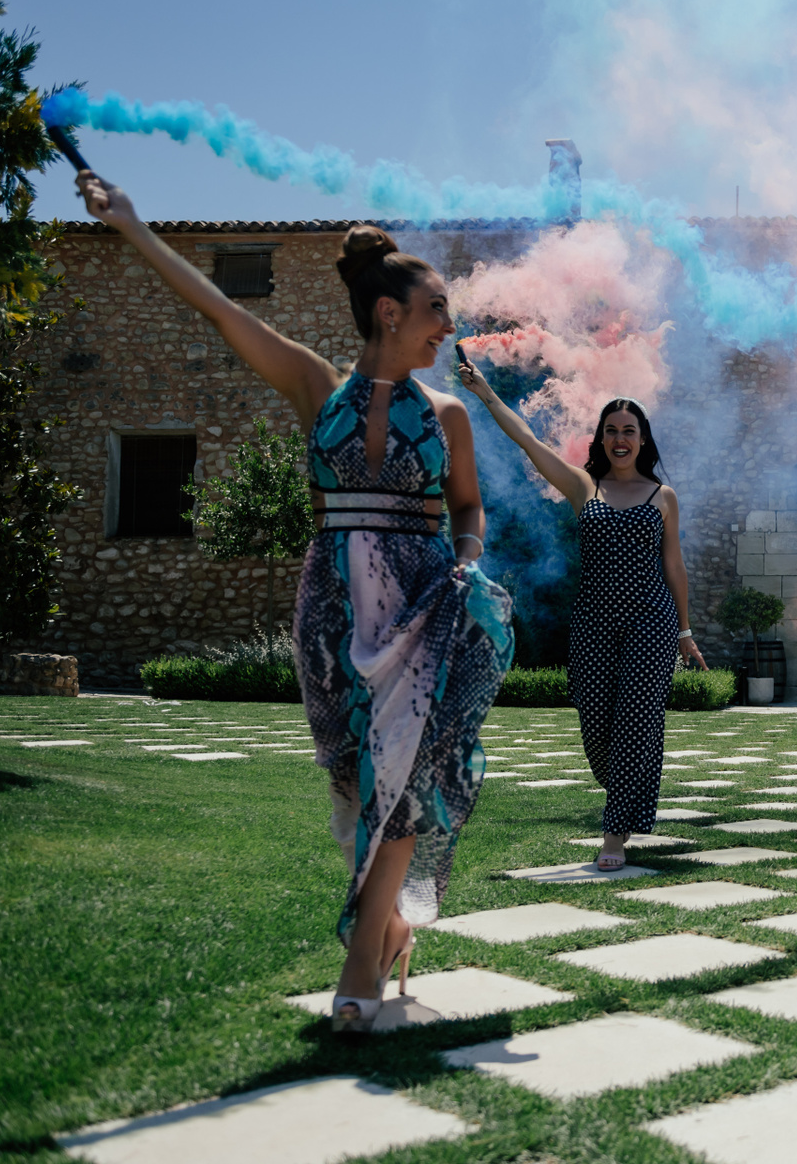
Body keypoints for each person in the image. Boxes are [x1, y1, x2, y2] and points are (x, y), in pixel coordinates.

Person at [78, 175, 513, 1033]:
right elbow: (217, 307)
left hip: (424, 603)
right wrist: (131, 226)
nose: (448, 326)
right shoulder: (318, 387)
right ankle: (388, 930)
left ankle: (359, 962)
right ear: (389, 312)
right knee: (357, 779)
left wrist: (467, 560)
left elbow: (468, 508)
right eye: (436, 309)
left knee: (404, 775)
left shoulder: (450, 415)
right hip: (335, 609)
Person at [458, 370, 707, 869]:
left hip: (650, 621)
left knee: (636, 719)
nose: (620, 439)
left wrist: (684, 632)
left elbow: (674, 565)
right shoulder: (583, 486)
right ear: (601, 438)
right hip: (593, 621)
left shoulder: (663, 497)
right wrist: (486, 393)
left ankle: (614, 835)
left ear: (643, 439)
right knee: (596, 729)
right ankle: (627, 790)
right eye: (611, 430)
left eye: (629, 431)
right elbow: (528, 442)